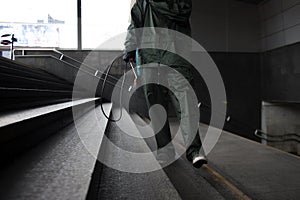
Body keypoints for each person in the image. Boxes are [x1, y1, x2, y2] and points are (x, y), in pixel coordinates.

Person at [123, 0, 207, 168]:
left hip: (164, 57)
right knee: (170, 105)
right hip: (163, 57)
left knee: (172, 105)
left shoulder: (153, 2)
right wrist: (130, 48)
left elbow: (136, 26)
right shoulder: (147, 3)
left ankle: (180, 151)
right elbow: (135, 25)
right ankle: (179, 151)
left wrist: (129, 50)